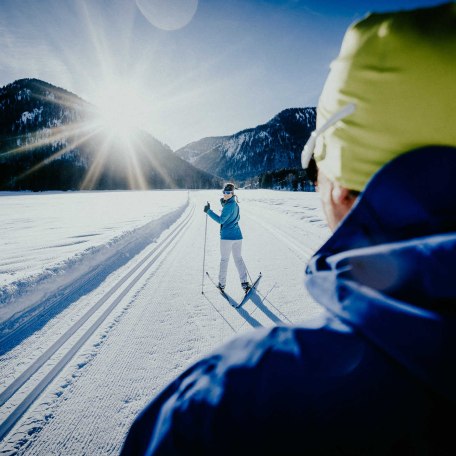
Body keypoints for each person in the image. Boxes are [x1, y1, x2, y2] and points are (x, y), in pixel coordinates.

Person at [121, 3, 455, 455]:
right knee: (234, 260)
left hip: (228, 240)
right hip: (232, 240)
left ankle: (230, 284)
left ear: (338, 185)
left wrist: (212, 216)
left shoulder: (221, 412)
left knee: (231, 259)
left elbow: (226, 220)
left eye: (317, 168)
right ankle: (234, 282)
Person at [203, 182, 251, 292]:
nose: (226, 194)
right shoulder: (235, 204)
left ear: (232, 193)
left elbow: (221, 220)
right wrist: (224, 205)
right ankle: (244, 283)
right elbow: (233, 214)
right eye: (224, 192)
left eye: (228, 192)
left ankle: (222, 284)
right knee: (238, 259)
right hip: (237, 237)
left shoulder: (229, 205)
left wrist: (208, 211)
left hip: (227, 238)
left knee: (224, 260)